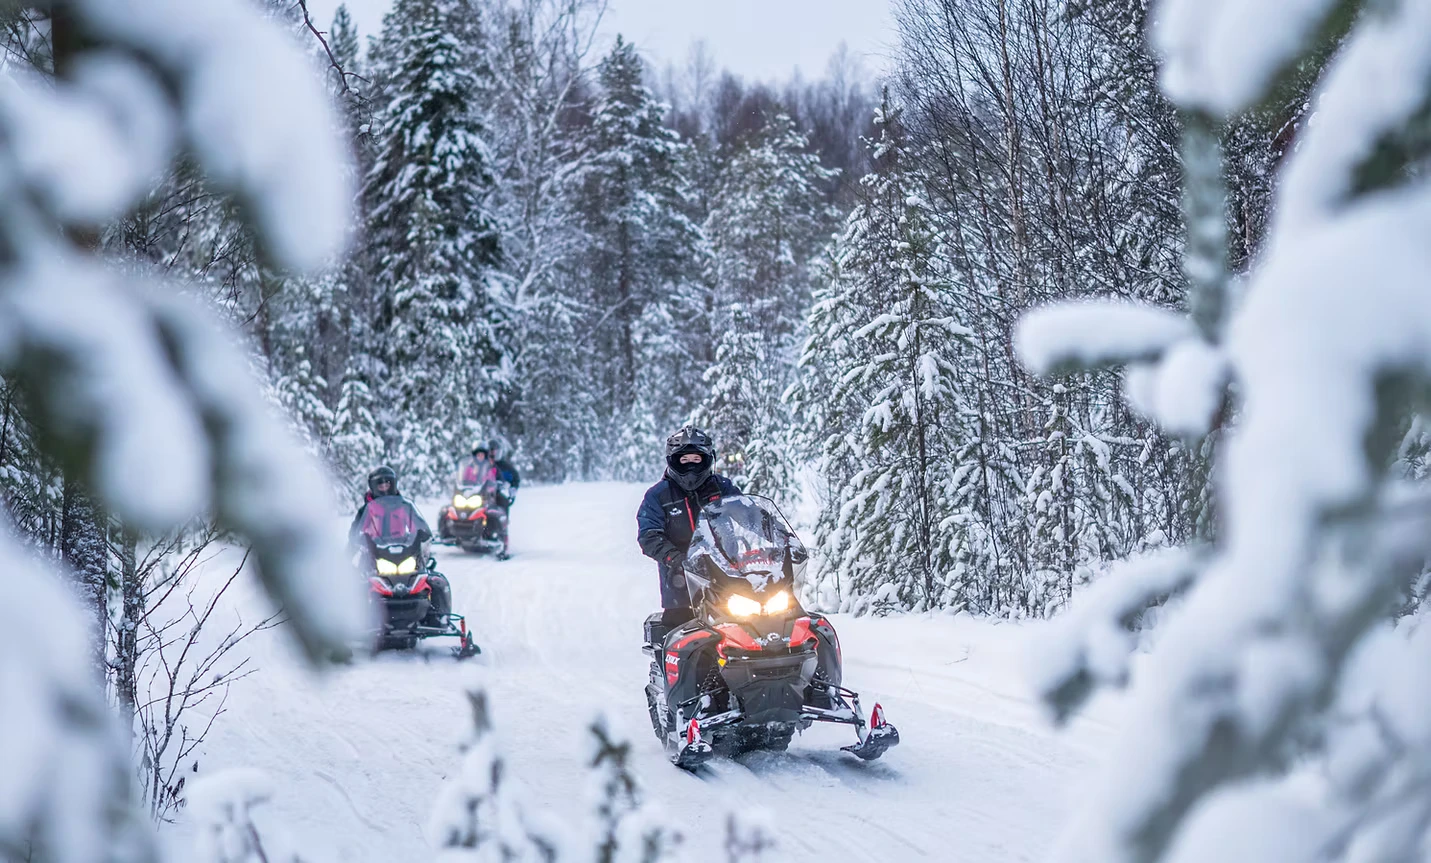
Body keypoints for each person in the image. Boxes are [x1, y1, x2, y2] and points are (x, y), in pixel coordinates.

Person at [637, 426, 740, 626]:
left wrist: (770, 535)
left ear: (707, 459)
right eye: (684, 460)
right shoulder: (658, 495)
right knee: (682, 633)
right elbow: (649, 535)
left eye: (696, 460)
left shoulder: (723, 487)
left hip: (729, 575)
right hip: (681, 584)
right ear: (673, 461)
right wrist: (676, 559)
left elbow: (746, 514)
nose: (690, 466)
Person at [350, 465, 452, 623]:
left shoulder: (404, 506)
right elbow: (355, 532)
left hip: (403, 551)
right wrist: (354, 547)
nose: (384, 488)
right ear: (373, 487)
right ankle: (357, 621)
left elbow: (417, 525)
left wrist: (422, 537)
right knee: (357, 585)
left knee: (434, 581)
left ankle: (438, 617)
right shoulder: (366, 510)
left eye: (387, 484)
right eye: (380, 485)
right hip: (374, 553)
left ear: (393, 484)